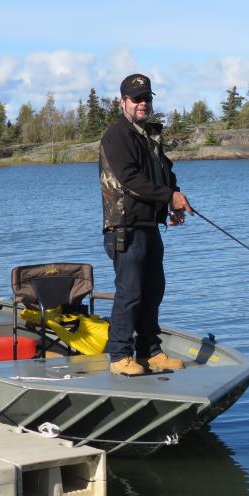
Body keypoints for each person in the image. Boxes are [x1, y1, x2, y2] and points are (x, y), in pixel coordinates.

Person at [99, 73, 193, 376]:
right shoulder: (116, 136)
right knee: (130, 292)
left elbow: (164, 171)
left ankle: (150, 351)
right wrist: (170, 196)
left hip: (150, 225)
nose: (142, 104)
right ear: (122, 101)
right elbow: (131, 180)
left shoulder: (149, 135)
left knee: (154, 290)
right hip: (124, 226)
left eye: (147, 98)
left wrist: (171, 202)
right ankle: (119, 356)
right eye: (136, 99)